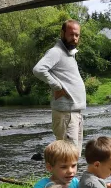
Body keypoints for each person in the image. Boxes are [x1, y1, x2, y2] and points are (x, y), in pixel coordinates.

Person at [33, 20, 86, 151]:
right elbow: (38, 69)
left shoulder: (69, 54)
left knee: (74, 155)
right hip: (65, 113)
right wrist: (57, 86)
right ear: (62, 33)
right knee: (67, 155)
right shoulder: (55, 52)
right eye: (71, 34)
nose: (74, 38)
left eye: (77, 35)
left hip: (74, 112)